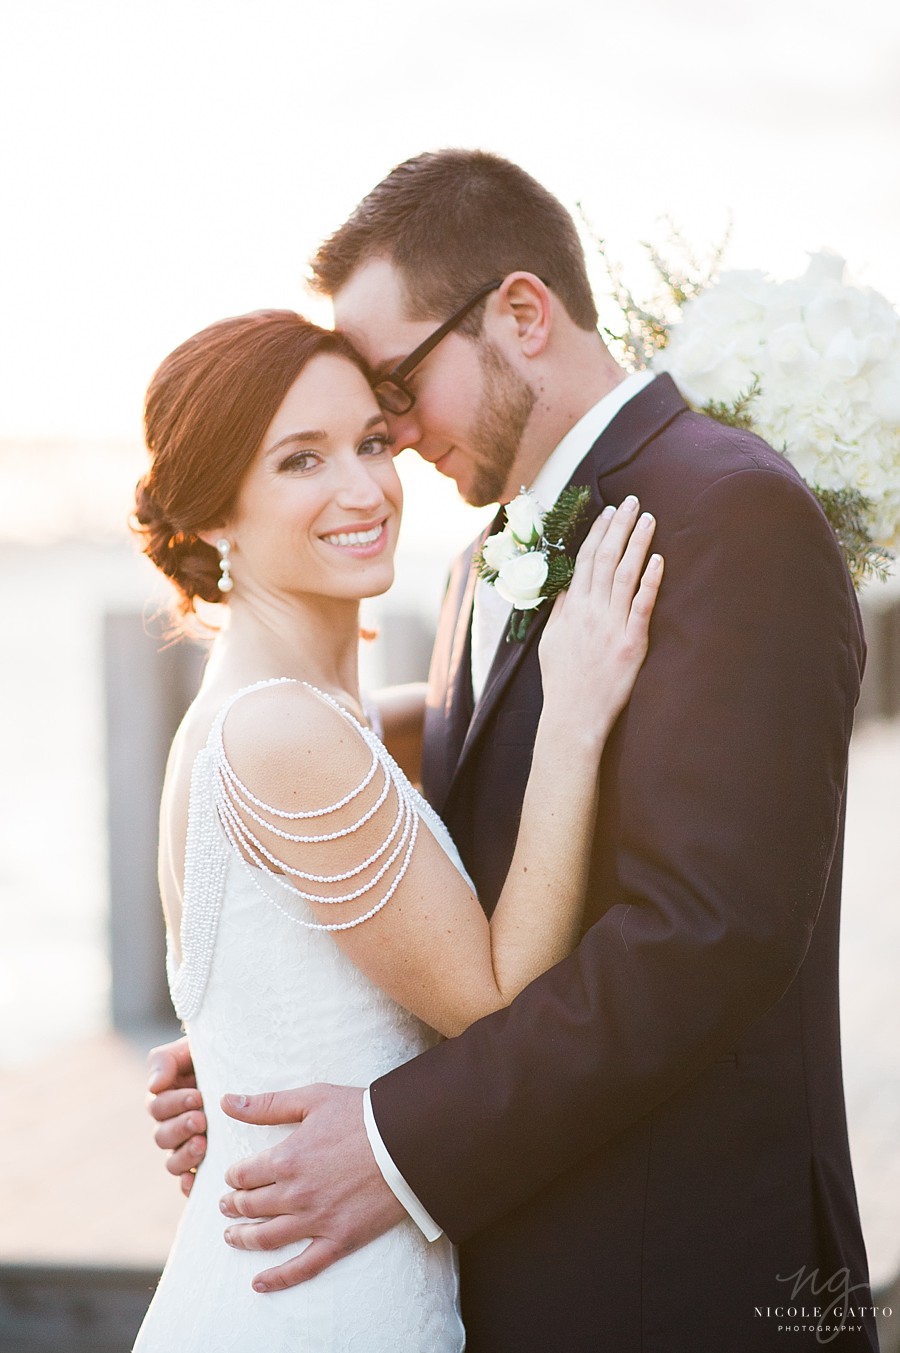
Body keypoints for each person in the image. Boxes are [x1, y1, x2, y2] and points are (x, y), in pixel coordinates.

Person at [149, 151, 877, 1351]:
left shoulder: (726, 511)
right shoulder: (483, 557)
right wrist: (263, 1024)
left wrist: (398, 1139)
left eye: (394, 386)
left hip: (682, 1286)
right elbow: (445, 840)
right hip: (504, 1269)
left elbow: (708, 936)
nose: (388, 433)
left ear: (522, 315)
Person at [131, 306, 661, 1351]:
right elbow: (496, 999)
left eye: (372, 442)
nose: (365, 487)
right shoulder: (280, 733)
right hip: (322, 1307)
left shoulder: (287, 713)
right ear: (212, 516)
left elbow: (409, 736)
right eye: (301, 461)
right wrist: (575, 708)